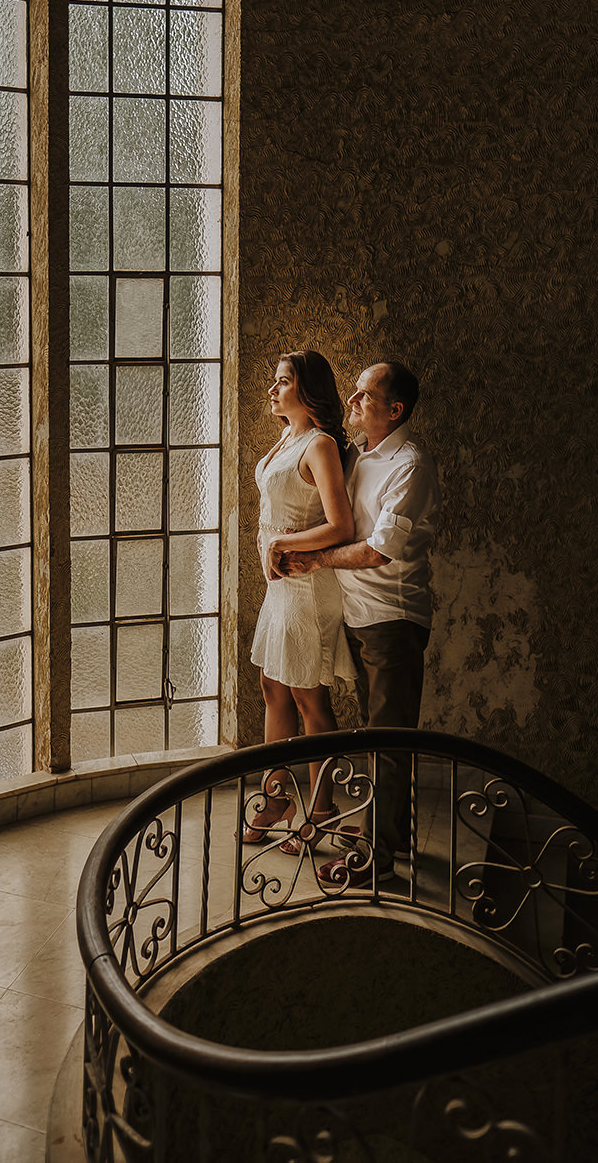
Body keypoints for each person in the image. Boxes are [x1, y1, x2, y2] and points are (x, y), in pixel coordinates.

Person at [273, 360, 441, 884]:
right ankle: (392, 837)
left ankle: (378, 863)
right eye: (353, 393)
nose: (353, 402)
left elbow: (378, 552)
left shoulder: (409, 464)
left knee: (389, 742)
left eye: (366, 396)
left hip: (391, 618)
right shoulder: (356, 454)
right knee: (379, 736)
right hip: (356, 614)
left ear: (395, 410)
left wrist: (315, 561)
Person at [244, 350, 357, 854]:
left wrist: (282, 545)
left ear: (308, 392)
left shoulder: (321, 444)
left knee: (310, 697)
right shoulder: (286, 439)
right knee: (273, 686)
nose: (272, 390)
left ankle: (323, 811)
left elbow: (341, 526)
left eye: (282, 382)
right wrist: (272, 549)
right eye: (274, 381)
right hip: (281, 586)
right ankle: (275, 798)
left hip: (308, 588)